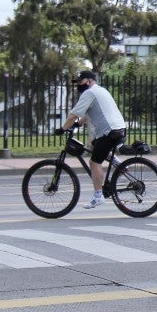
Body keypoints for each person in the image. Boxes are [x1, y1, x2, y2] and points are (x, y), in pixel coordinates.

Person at [57, 70, 127, 209]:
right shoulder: (100, 91)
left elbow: (73, 114)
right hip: (118, 129)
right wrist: (78, 124)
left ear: (89, 81)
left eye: (80, 81)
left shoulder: (89, 93)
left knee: (94, 162)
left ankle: (98, 196)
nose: (78, 84)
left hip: (109, 132)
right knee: (94, 147)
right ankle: (118, 165)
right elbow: (88, 114)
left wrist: (63, 129)